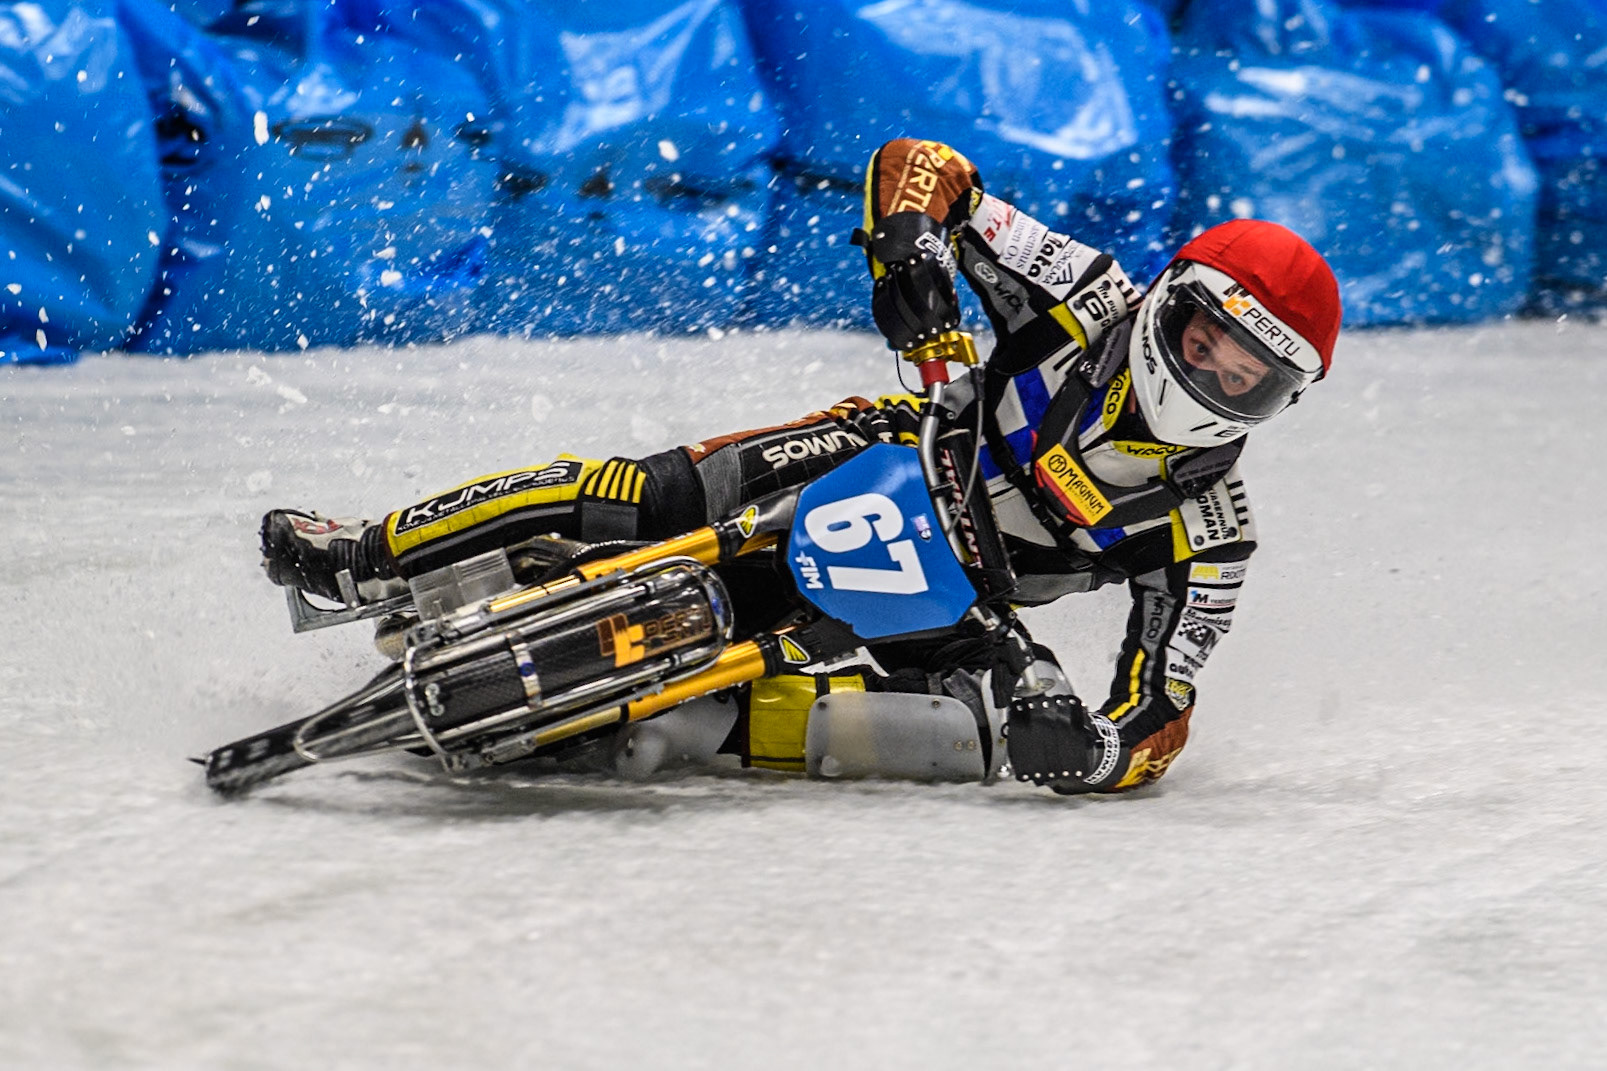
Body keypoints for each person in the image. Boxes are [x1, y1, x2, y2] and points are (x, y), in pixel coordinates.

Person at [261, 138, 1341, 794]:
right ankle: (362, 552)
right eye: (1203, 338)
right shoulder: (1085, 291)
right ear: (1170, 302)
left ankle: (690, 734)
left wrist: (1096, 755)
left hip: (963, 608)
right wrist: (911, 245)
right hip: (891, 449)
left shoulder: (1214, 536)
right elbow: (923, 168)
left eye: (1244, 375)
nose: (1207, 373)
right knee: (639, 495)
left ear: (1275, 399)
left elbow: (1163, 713)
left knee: (969, 741)